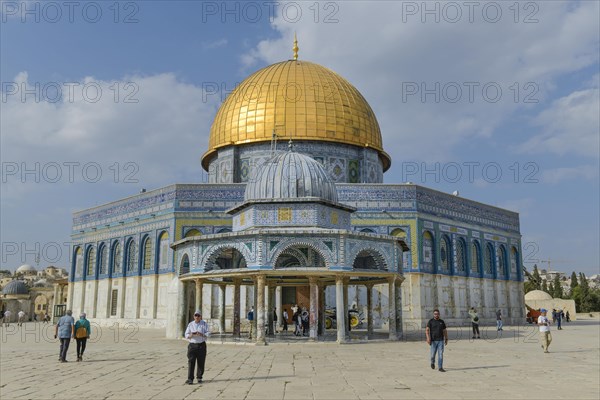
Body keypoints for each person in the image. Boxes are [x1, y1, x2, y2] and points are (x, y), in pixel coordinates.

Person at [184, 310, 210, 384]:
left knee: (201, 362)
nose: (197, 317)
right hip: (192, 345)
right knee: (191, 362)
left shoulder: (204, 324)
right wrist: (191, 335)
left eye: (198, 316)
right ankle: (190, 379)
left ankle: (199, 377)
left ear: (200, 317)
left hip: (201, 345)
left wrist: (202, 334)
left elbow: (209, 333)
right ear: (193, 316)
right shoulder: (190, 324)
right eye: (196, 315)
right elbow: (186, 335)